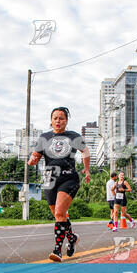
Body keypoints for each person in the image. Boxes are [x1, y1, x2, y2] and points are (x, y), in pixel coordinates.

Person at [28, 107, 91, 262]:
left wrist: (87, 169)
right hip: (50, 178)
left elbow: (85, 151)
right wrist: (32, 160)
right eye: (55, 118)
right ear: (51, 120)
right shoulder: (44, 137)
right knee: (57, 215)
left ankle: (57, 250)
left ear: (66, 121)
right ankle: (72, 237)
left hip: (69, 177)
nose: (58, 121)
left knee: (60, 213)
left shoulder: (73, 136)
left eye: (61, 118)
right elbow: (35, 155)